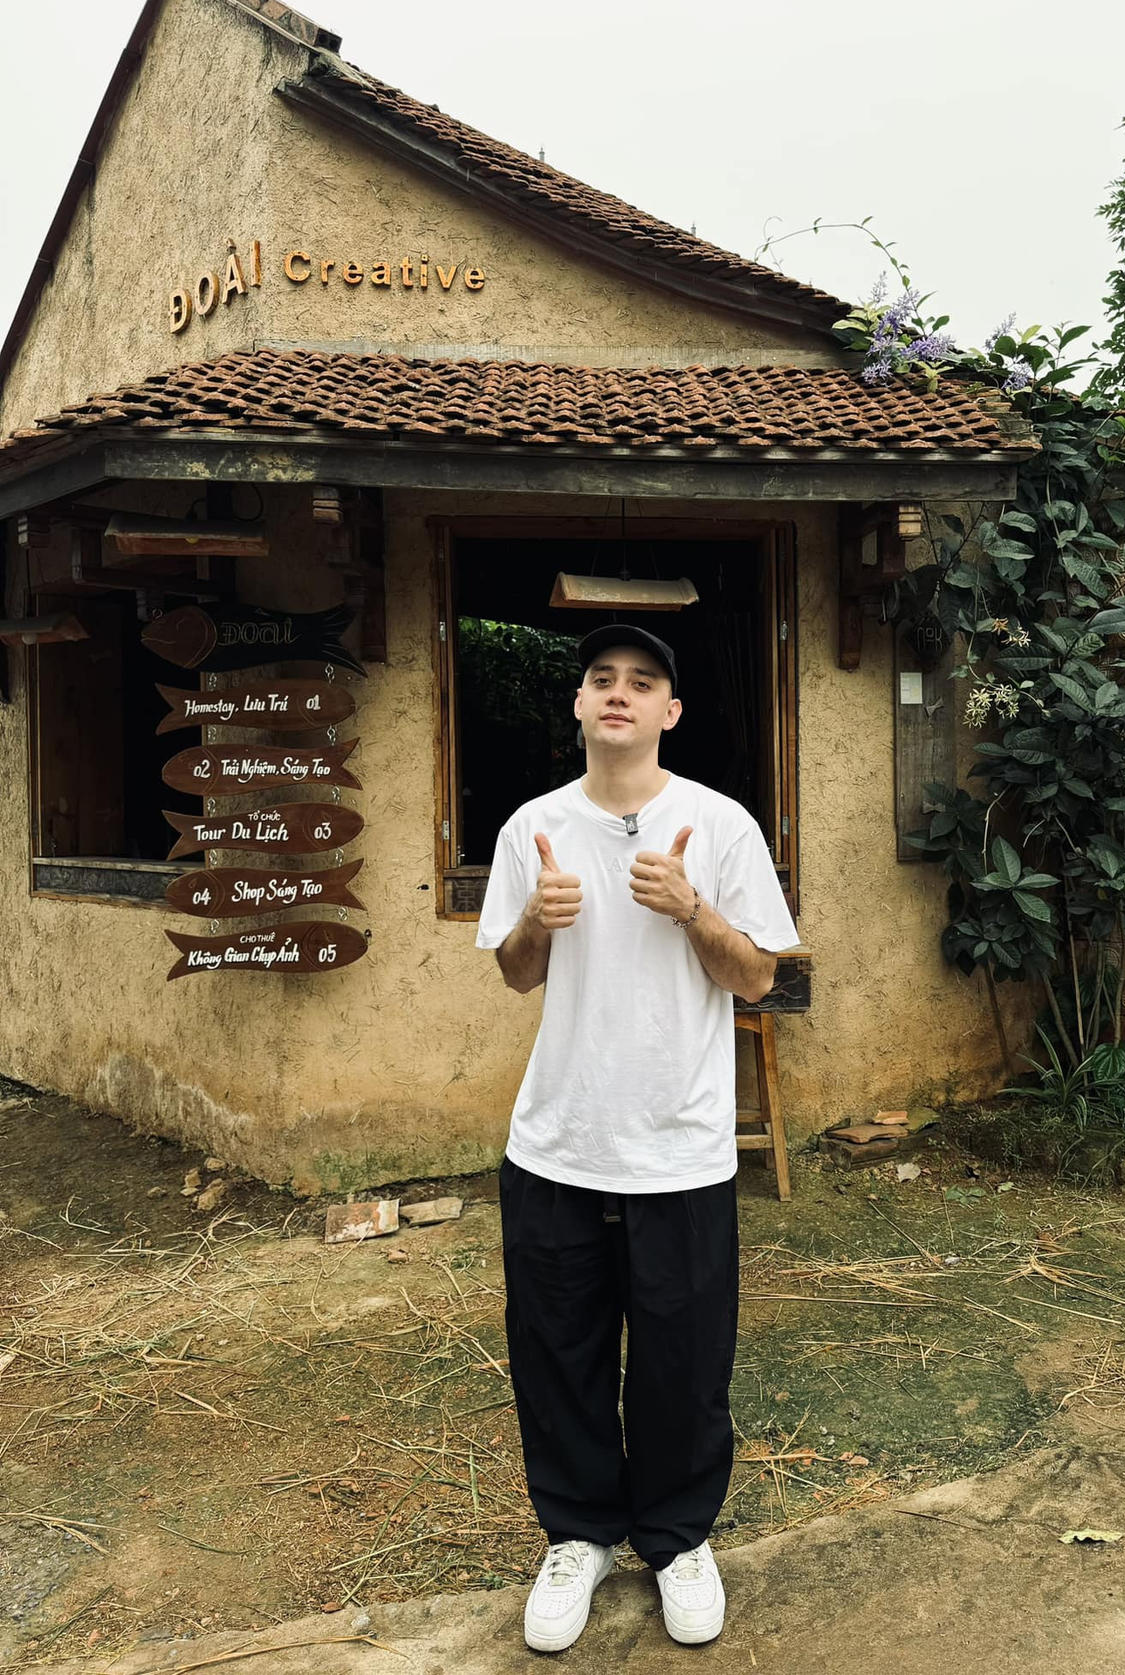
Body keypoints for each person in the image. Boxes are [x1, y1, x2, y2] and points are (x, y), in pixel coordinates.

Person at [476, 623, 799, 1653]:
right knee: (556, 1352)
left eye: (642, 682)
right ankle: (576, 1536)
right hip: (557, 1139)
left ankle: (676, 1539)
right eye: (601, 679)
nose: (619, 693)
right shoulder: (533, 827)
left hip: (680, 1142)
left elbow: (758, 977)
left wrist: (691, 908)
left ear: (670, 711)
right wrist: (538, 919)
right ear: (578, 704)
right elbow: (515, 973)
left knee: (683, 1362)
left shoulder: (720, 825)